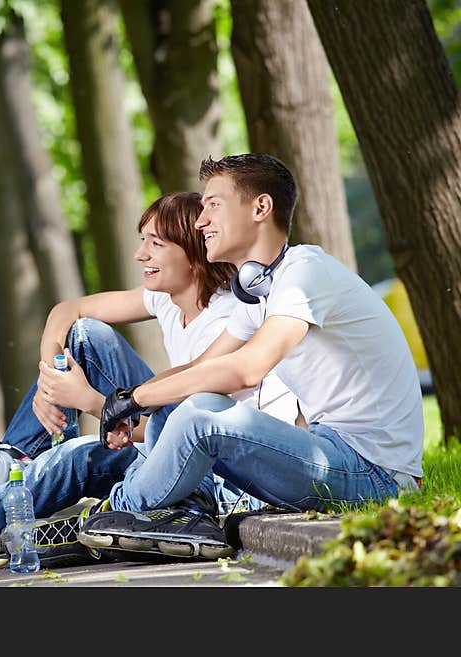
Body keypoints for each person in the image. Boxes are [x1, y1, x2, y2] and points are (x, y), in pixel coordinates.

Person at [0, 190, 297, 585]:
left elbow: (180, 421)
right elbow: (68, 312)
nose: (139, 253)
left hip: (226, 481)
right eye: (140, 238)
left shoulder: (232, 318)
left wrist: (88, 401)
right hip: (168, 446)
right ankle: (0, 475)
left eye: (155, 243)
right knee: (82, 339)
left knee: (73, 458)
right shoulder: (168, 298)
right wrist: (49, 379)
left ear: (192, 256)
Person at [75, 153, 423, 555]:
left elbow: (246, 369)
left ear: (260, 207)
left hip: (375, 473)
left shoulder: (306, 272)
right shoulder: (261, 290)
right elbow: (201, 366)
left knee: (201, 414)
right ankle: (168, 516)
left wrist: (134, 399)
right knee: (178, 404)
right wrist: (128, 407)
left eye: (213, 205)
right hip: (333, 452)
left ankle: (114, 516)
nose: (201, 220)